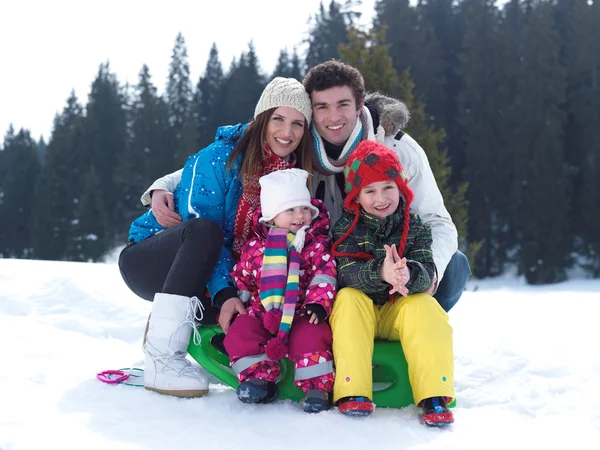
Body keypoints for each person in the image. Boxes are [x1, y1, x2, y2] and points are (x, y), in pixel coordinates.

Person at [144, 60, 470, 313]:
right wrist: (164, 184)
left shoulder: (399, 151)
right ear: (310, 112)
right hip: (326, 267)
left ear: (360, 106)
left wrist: (431, 274)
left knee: (454, 267)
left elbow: (438, 222)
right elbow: (232, 154)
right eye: (322, 107)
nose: (333, 117)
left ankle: (409, 331)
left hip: (390, 260)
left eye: (343, 105)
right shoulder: (297, 146)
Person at [118, 77, 314, 398]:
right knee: (206, 231)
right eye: (278, 118)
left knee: (254, 310)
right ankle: (162, 359)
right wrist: (224, 295)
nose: (287, 131)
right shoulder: (218, 158)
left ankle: (179, 324)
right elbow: (201, 228)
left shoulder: (289, 174)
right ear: (262, 118)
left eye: (297, 124)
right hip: (153, 259)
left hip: (212, 272)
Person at [330, 140, 455, 425]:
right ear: (356, 197)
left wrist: (408, 274)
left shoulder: (416, 228)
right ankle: (353, 389)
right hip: (362, 314)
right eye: (370, 191)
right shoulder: (345, 228)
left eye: (388, 187)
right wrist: (381, 273)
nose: (380, 198)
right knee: (347, 298)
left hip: (398, 313)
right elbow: (343, 271)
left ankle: (435, 393)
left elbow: (427, 267)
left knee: (425, 306)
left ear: (400, 188)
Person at [223, 169, 337, 413]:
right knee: (241, 331)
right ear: (271, 217)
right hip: (264, 310)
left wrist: (318, 303)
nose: (300, 216)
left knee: (312, 336)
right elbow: (242, 275)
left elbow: (325, 274)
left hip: (302, 311)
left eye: (304, 209)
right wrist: (241, 297)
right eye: (290, 210)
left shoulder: (315, 245)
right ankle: (258, 378)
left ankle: (317, 386)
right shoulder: (255, 247)